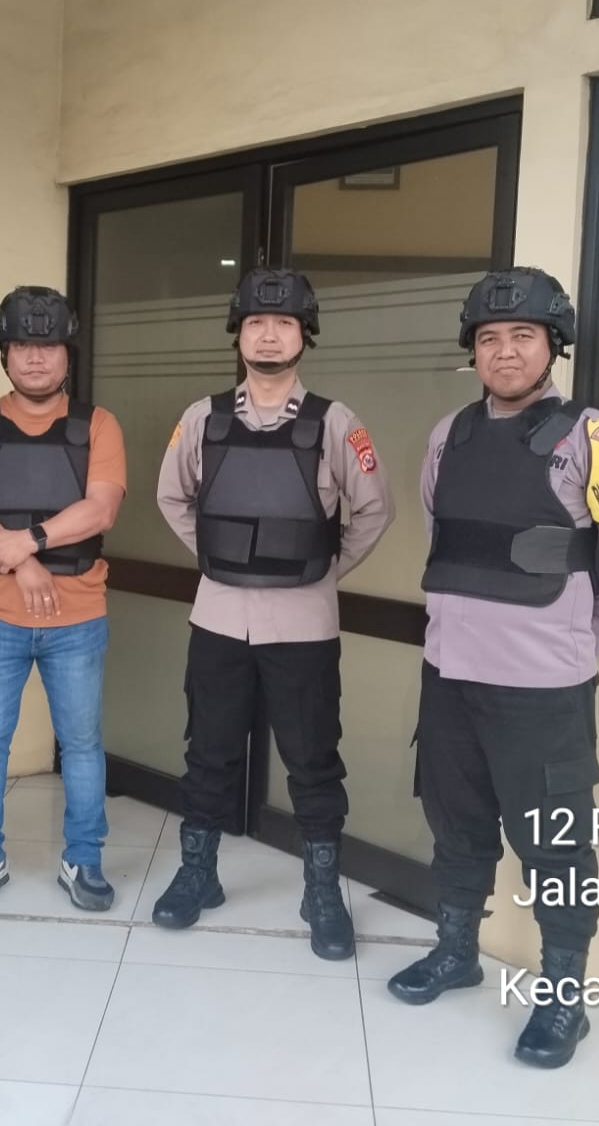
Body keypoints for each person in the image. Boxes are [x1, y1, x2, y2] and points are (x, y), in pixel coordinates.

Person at [387, 267, 599, 1069]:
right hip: (451, 676)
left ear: (553, 345)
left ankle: (563, 996)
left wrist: (586, 637)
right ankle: (456, 951)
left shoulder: (596, 437)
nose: (503, 352)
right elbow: (443, 528)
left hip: (543, 688)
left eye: (522, 336)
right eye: (488, 339)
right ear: (473, 351)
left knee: (555, 845)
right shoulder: (449, 435)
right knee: (456, 823)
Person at [152, 266, 395, 960]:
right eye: (256, 322)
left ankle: (321, 892)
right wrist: (221, 558)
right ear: (238, 333)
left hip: (304, 625)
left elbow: (375, 510)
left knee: (313, 760)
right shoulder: (202, 419)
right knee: (207, 753)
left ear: (304, 335)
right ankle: (198, 874)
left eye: (283, 323)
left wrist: (321, 571)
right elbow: (171, 497)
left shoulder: (337, 423)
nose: (267, 335)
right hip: (218, 619)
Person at [0, 286, 126, 912]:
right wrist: (24, 566)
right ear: (4, 353)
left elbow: (101, 508)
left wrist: (29, 541)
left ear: (68, 354)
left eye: (48, 346)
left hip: (79, 617)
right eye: (22, 345)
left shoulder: (97, 425)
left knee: (82, 745)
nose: (36, 358)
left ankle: (84, 860)